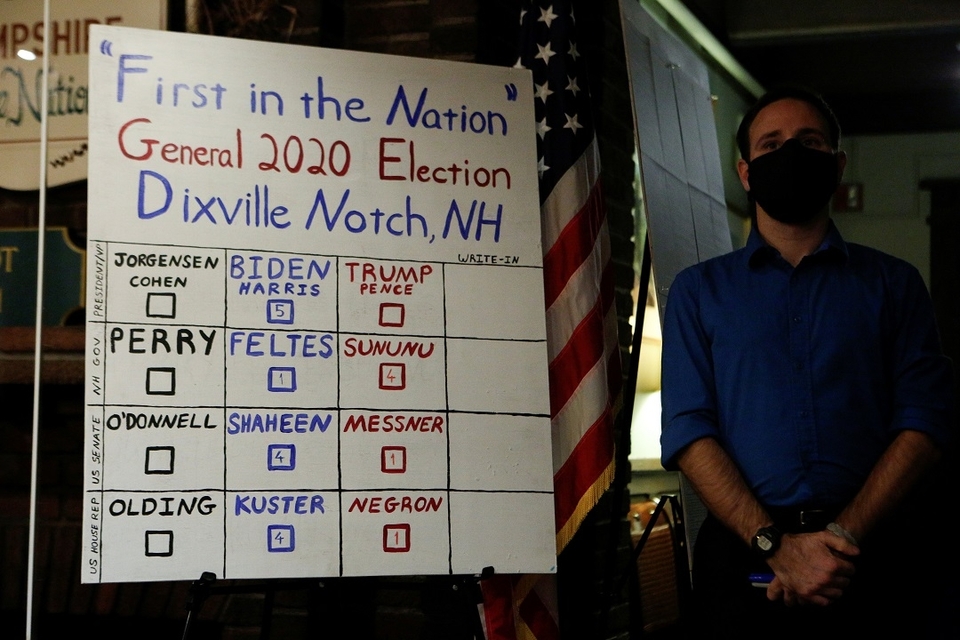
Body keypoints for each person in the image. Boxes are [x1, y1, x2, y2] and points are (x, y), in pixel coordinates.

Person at [659, 85, 954, 636]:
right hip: (743, 564)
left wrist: (840, 538)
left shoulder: (895, 284)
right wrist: (776, 548)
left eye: (809, 142)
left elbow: (924, 421)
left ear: (837, 165)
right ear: (746, 173)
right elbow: (689, 430)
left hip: (876, 559)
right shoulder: (698, 293)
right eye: (770, 145)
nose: (790, 154)